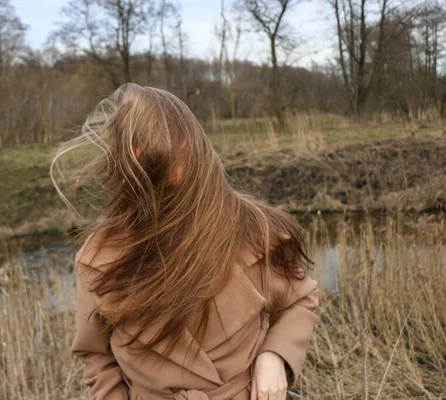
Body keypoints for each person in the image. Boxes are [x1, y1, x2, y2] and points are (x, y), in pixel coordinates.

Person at [50, 83, 319, 400]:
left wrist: (275, 356)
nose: (155, 173)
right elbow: (97, 358)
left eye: (162, 153)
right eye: (139, 154)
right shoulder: (98, 259)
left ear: (189, 145)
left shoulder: (254, 230)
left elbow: (299, 300)